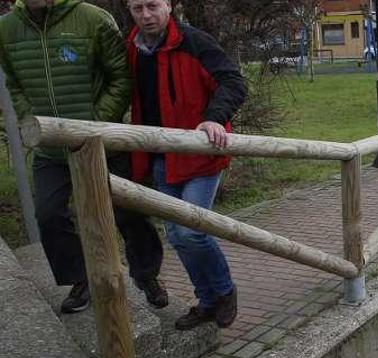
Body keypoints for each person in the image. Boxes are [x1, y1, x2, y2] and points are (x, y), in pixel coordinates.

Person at [0, 0, 166, 313]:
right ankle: (80, 278)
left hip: (102, 141)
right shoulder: (6, 29)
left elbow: (121, 76)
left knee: (129, 213)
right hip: (51, 147)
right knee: (48, 215)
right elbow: (14, 83)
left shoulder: (91, 18)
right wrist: (28, 119)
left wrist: (92, 123)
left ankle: (147, 276)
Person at [126, 0, 246, 330]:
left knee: (191, 231)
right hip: (163, 157)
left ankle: (224, 291)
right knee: (177, 237)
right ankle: (207, 302)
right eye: (137, 8)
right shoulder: (134, 48)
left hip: (199, 154)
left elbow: (234, 82)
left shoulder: (193, 42)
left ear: (168, 5)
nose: (146, 15)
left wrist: (213, 118)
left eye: (153, 6)